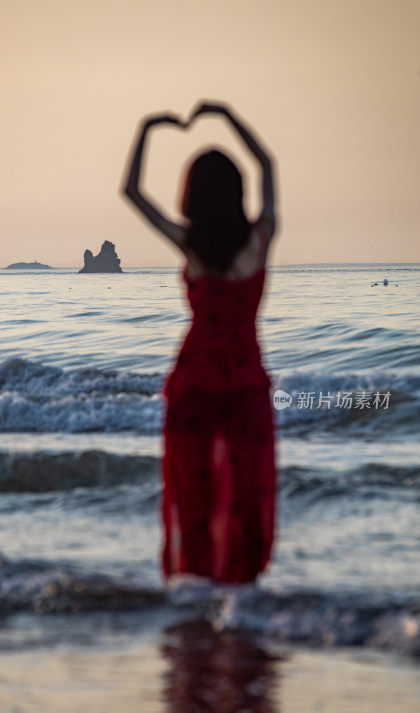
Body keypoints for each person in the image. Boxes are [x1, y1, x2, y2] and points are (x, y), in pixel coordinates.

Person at [123, 101, 277, 584]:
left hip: (192, 380)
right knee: (247, 495)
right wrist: (228, 116)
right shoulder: (258, 241)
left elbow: (132, 191)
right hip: (245, 381)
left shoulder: (190, 244)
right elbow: (267, 163)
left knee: (193, 493)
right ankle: (242, 603)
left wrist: (148, 127)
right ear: (236, 193)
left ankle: (192, 600)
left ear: (192, 195)